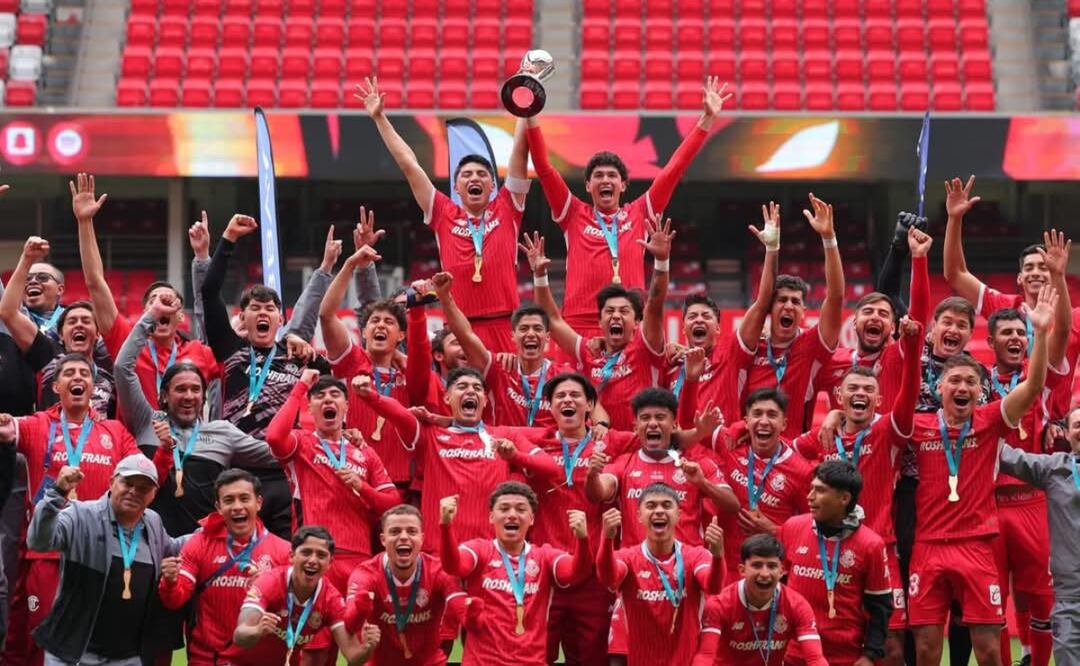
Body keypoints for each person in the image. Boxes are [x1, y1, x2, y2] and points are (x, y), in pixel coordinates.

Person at [906, 285, 1056, 665]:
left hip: (976, 545)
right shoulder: (917, 425)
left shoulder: (989, 422)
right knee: (925, 650)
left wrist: (1038, 335)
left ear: (980, 392)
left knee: (988, 650)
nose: (962, 387)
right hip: (927, 546)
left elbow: (1034, 386)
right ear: (939, 388)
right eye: (954, 381)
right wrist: (838, 415)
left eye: (970, 383)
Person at [525, 77, 730, 337]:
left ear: (623, 185)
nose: (605, 180)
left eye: (612, 176)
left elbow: (673, 169)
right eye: (598, 176)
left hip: (629, 324)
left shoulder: (641, 212)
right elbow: (544, 168)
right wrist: (531, 114)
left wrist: (706, 121)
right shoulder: (573, 213)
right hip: (580, 325)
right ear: (588, 186)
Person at [357, 76, 531, 354]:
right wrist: (380, 120)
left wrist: (526, 109)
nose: (475, 178)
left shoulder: (508, 207)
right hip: (457, 331)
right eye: (466, 175)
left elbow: (520, 156)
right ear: (457, 188)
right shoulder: (442, 212)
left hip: (503, 329)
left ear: (492, 185)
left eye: (482, 174)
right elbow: (410, 165)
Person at [0, 353, 151, 666]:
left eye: (84, 372)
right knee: (40, 637)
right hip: (47, 554)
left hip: (97, 555)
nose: (77, 377)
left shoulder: (115, 431)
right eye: (69, 373)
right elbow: (8, 429)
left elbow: (144, 475)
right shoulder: (37, 424)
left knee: (93, 643)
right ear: (56, 386)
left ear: (94, 386)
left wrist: (163, 455)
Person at [793, 315, 923, 663]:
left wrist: (912, 347)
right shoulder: (823, 436)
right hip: (827, 549)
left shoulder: (888, 431)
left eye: (868, 390)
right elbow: (782, 454)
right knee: (828, 640)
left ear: (879, 400)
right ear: (839, 396)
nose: (860, 394)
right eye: (853, 389)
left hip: (881, 546)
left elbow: (910, 390)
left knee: (892, 646)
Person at [199, 213, 333, 537]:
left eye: (270, 309)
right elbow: (209, 291)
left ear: (280, 319)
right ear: (241, 317)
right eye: (255, 308)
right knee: (239, 550)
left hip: (284, 471)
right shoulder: (230, 349)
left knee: (288, 552)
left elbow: (333, 385)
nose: (262, 313)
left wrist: (311, 353)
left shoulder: (297, 355)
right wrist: (228, 239)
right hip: (237, 469)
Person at [981, 234, 1073, 666]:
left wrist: (1058, 277)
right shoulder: (974, 383)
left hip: (1032, 502)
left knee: (1041, 598)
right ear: (992, 341)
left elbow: (1061, 337)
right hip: (987, 505)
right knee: (992, 605)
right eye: (1008, 333)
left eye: (1022, 333)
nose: (1016, 339)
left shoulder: (1037, 384)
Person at [354, 366, 561, 553]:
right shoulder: (431, 435)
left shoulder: (505, 435)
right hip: (438, 555)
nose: (470, 391)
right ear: (446, 398)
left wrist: (515, 456)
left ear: (486, 400)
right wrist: (371, 396)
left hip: (489, 556)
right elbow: (400, 415)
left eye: (477, 388)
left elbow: (552, 468)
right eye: (462, 386)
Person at [116, 298, 275, 537]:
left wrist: (329, 440)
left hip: (203, 549)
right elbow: (122, 368)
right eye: (180, 389)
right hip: (147, 543)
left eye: (195, 389)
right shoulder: (146, 420)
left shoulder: (222, 432)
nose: (189, 396)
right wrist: (151, 316)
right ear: (165, 396)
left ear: (203, 395)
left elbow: (279, 454)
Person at [518, 372, 638, 664]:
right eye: (560, 396)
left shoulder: (613, 443)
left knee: (590, 658)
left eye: (575, 396)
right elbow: (488, 430)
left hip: (594, 574)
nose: (567, 400)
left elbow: (655, 436)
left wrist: (604, 425)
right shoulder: (537, 441)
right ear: (550, 407)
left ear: (589, 406)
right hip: (544, 572)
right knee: (534, 657)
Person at [71, 173, 218, 407]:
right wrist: (84, 223)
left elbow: (212, 311)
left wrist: (203, 257)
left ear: (180, 316)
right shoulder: (126, 340)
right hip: (136, 443)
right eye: (154, 301)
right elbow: (95, 283)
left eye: (169, 301)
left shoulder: (199, 352)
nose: (162, 304)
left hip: (187, 443)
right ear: (145, 313)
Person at [943, 176, 1080, 421]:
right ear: (1019, 278)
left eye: (1043, 267)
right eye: (1029, 268)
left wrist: (1059, 274)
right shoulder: (1005, 307)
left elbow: (1061, 331)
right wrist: (954, 219)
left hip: (1049, 423)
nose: (1036, 272)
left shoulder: (1071, 318)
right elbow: (955, 274)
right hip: (1003, 417)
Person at [27, 455, 184, 666]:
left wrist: (211, 532)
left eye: (144, 488)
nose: (134, 491)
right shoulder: (81, 515)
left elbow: (174, 547)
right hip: (73, 656)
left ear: (154, 494)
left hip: (128, 658)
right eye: (127, 483)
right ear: (111, 482)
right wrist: (56, 494)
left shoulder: (153, 523)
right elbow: (39, 542)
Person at [526, 213, 673, 431]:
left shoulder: (646, 348)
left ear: (636, 322)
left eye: (624, 311)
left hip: (637, 447)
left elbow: (655, 303)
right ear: (600, 321)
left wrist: (661, 261)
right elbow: (553, 320)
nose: (616, 316)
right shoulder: (589, 353)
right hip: (598, 450)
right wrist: (539, 275)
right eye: (609, 311)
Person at [265, 369, 400, 593]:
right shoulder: (301, 443)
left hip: (358, 555)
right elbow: (274, 437)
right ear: (309, 408)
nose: (327, 398)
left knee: (356, 623)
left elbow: (393, 504)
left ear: (346, 406)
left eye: (335, 394)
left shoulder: (365, 452)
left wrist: (361, 486)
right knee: (313, 623)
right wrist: (301, 387)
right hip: (313, 553)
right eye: (319, 396)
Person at [438, 481, 593, 665]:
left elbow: (575, 572)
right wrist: (446, 527)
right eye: (504, 509)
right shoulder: (479, 550)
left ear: (532, 519)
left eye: (520, 509)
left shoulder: (544, 556)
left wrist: (583, 540)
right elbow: (453, 565)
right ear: (491, 517)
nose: (512, 515)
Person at [157, 469, 292, 665]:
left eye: (244, 498)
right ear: (218, 507)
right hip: (209, 659)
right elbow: (175, 600)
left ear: (259, 503)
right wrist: (170, 582)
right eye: (229, 500)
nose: (237, 506)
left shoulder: (283, 551)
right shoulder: (199, 543)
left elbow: (293, 610)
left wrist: (268, 589)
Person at [663, 202, 778, 426]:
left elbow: (762, 303)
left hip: (723, 455)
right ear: (683, 326)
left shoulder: (731, 352)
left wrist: (772, 249)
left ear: (717, 327)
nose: (698, 319)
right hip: (682, 454)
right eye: (692, 316)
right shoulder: (672, 365)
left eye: (706, 316)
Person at [319, 236, 417, 488]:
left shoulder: (410, 371)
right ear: (363, 332)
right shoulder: (352, 360)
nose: (380, 325)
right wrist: (350, 264)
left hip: (401, 483)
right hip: (353, 476)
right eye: (374, 321)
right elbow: (326, 315)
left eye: (388, 322)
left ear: (401, 336)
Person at [744, 194, 844, 439]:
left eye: (795, 302)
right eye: (781, 300)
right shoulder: (751, 347)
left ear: (803, 313)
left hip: (792, 454)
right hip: (748, 455)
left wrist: (829, 238)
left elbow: (836, 297)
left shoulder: (810, 346)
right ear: (769, 308)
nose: (788, 306)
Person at [433, 271, 585, 429]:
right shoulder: (499, 369)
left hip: (549, 451)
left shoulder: (564, 375)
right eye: (524, 328)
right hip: (505, 450)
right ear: (513, 336)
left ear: (547, 337)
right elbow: (466, 335)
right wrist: (445, 298)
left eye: (537, 328)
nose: (531, 334)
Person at [778, 461, 893, 666]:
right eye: (811, 488)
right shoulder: (792, 528)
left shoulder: (871, 544)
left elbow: (880, 608)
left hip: (842, 657)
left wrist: (870, 656)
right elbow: (779, 589)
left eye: (820, 491)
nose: (810, 497)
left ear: (844, 498)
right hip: (794, 655)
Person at [596, 484, 726, 666]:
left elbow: (713, 586)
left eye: (666, 505)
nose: (658, 511)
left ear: (679, 515)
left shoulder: (696, 556)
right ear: (639, 516)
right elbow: (608, 578)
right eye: (651, 506)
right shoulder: (627, 557)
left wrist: (718, 556)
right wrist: (607, 539)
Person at [816, 225, 932, 412]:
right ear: (854, 323)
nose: (875, 317)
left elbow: (918, 317)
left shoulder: (898, 356)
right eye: (868, 311)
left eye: (883, 314)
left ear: (893, 328)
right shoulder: (833, 361)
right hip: (842, 441)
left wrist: (919, 257)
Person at [0, 237, 117, 419]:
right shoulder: (49, 357)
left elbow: (96, 282)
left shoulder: (108, 374)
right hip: (28, 419)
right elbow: (8, 311)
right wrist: (26, 258)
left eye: (43, 277)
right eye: (28, 279)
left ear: (97, 334)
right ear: (61, 335)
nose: (32, 282)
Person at [998, 406, 1080, 665]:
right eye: (1077, 425)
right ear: (1066, 433)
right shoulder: (1054, 468)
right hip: (1069, 599)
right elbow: (1006, 456)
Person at [230, 525, 379, 666]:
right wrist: (257, 631)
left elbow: (352, 656)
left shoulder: (331, 599)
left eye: (321, 555)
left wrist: (367, 648)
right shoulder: (270, 582)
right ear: (292, 556)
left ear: (330, 562)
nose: (313, 561)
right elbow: (239, 636)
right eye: (306, 552)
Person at [709, 388, 814, 579]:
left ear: (784, 424)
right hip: (727, 567)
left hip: (769, 572)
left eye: (772, 415)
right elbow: (685, 425)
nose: (764, 421)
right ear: (746, 421)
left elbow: (811, 531)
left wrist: (774, 531)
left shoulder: (802, 471)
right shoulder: (730, 443)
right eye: (757, 414)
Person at [345, 504, 466, 665]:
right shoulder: (366, 573)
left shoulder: (438, 571)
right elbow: (350, 624)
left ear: (422, 539)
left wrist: (470, 612)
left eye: (411, 531)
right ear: (383, 539)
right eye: (395, 531)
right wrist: (361, 608)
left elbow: (461, 611)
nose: (403, 537)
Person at [693, 533, 827, 665]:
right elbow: (705, 655)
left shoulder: (797, 605)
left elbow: (815, 659)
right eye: (757, 565)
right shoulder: (719, 604)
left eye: (772, 566)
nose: (764, 574)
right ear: (742, 570)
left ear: (781, 571)